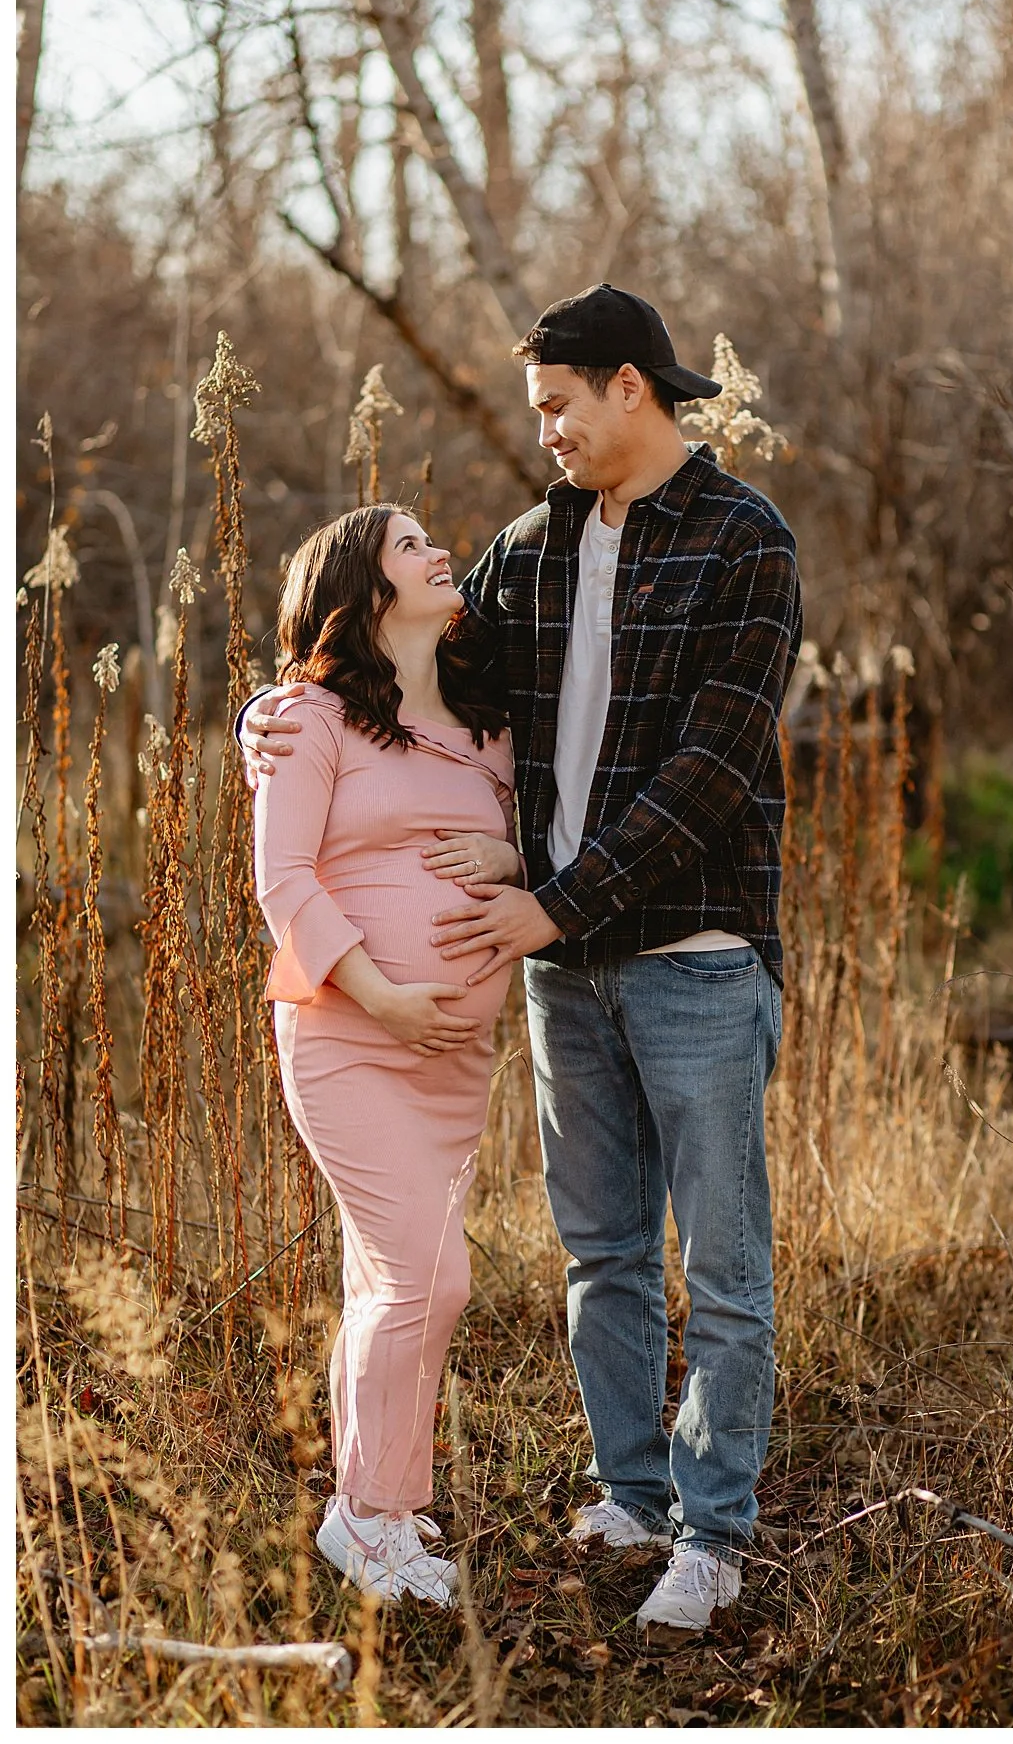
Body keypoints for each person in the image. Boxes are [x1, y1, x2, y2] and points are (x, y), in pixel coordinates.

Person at [244, 283, 802, 1642]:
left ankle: (712, 1534)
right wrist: (276, 706)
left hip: (695, 956)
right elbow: (384, 657)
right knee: (601, 1251)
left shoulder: (745, 543)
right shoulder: (529, 553)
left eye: (558, 405)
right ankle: (630, 1491)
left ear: (630, 386)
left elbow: (713, 771)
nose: (543, 431)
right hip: (559, 979)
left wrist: (551, 898)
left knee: (720, 1261)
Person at [253, 505, 517, 1606]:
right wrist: (381, 994)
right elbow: (284, 881)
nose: (440, 549)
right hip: (350, 1035)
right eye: (411, 544)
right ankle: (367, 1514)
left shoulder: (488, 725)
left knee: (388, 1280)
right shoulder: (305, 721)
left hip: (456, 1055)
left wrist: (505, 849)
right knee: (429, 1275)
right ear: (364, 591)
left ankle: (380, 1514)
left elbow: (541, 843)